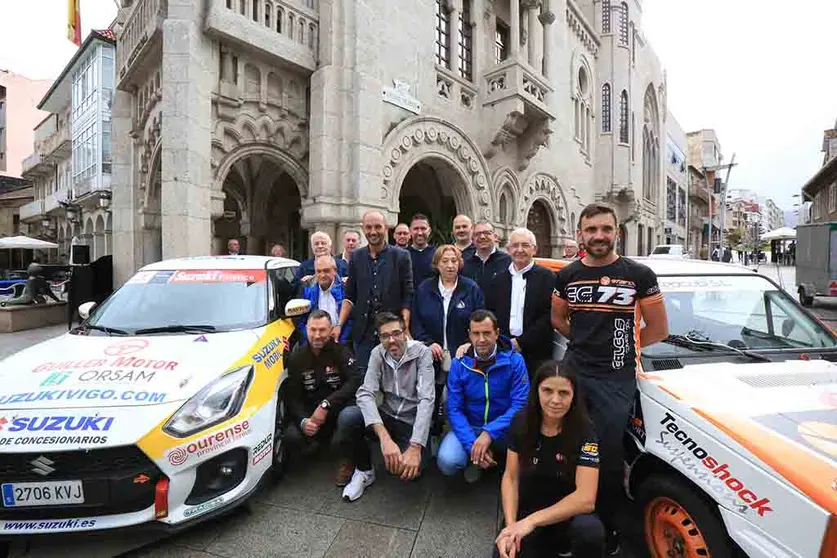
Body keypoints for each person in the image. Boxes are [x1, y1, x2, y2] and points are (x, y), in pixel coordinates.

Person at [551, 202, 669, 554]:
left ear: (617, 232)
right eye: (591, 230)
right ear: (580, 234)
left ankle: (606, 527)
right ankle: (565, 519)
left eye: (605, 229)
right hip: (573, 371)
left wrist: (624, 350)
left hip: (616, 379)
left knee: (606, 455)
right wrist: (585, 342)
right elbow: (559, 320)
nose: (599, 236)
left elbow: (660, 329)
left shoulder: (639, 274)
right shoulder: (568, 275)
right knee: (564, 445)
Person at [496, 362, 604, 558]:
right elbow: (511, 478)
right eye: (547, 390)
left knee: (590, 532)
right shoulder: (521, 423)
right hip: (528, 511)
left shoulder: (585, 430)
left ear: (574, 397)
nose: (555, 400)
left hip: (568, 514)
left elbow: (586, 499)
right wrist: (512, 527)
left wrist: (532, 521)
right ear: (536, 391)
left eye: (564, 393)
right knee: (505, 552)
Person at [345, 312, 435, 501]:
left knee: (411, 472)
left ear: (405, 332)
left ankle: (412, 449)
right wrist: (384, 438)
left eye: (396, 333)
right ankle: (364, 471)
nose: (391, 340)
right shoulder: (377, 353)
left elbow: (427, 400)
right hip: (386, 414)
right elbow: (365, 393)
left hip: (410, 420)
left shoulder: (422, 353)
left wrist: (415, 446)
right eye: (385, 336)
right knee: (348, 418)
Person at [439, 310, 528, 481]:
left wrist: (488, 433)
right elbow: (454, 409)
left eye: (487, 333)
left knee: (528, 459)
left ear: (497, 333)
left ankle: (494, 459)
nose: (481, 339)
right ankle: (480, 456)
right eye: (476, 333)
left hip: (505, 428)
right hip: (471, 426)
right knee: (447, 461)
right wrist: (473, 444)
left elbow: (520, 404)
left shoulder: (515, 361)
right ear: (469, 335)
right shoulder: (459, 364)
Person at [284, 310, 364, 486]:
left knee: (349, 418)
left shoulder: (341, 351)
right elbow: (293, 396)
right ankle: (317, 445)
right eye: (313, 330)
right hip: (313, 414)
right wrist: (303, 421)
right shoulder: (297, 357)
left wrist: (327, 404)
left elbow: (355, 381)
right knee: (291, 436)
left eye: (322, 330)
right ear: (306, 329)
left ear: (330, 330)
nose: (317, 335)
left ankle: (348, 461)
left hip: (338, 410)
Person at [411, 245, 485, 435]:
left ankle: (460, 436)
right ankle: (431, 436)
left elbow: (480, 319)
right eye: (445, 261)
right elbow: (416, 321)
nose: (450, 265)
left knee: (458, 400)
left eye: (454, 261)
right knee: (430, 400)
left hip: (461, 354)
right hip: (431, 353)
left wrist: (470, 342)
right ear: (437, 264)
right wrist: (428, 343)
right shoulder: (425, 288)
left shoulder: (470, 288)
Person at [336, 210, 414, 373]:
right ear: (363, 229)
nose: (373, 232)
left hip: (392, 333)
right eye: (369, 227)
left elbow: (407, 294)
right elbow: (350, 296)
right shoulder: (356, 257)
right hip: (363, 334)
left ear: (386, 228)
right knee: (366, 381)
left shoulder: (401, 256)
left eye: (378, 227)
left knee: (394, 381)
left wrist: (404, 326)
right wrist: (338, 325)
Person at [483, 228, 556, 376]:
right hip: (503, 351)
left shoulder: (548, 277)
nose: (520, 250)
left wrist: (522, 342)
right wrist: (502, 343)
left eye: (525, 245)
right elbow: (490, 313)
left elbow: (549, 316)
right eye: (515, 246)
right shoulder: (497, 280)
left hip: (537, 354)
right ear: (508, 250)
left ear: (534, 249)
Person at [299, 255, 351, 344]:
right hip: (314, 342)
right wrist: (312, 336)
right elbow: (301, 321)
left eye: (326, 271)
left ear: (335, 271)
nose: (322, 275)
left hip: (340, 341)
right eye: (318, 271)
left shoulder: (345, 289)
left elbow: (351, 319)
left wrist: (340, 337)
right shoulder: (307, 291)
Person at [462, 221, 512, 295]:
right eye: (477, 234)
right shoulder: (465, 263)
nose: (482, 237)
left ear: (495, 237)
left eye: (487, 233)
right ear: (472, 239)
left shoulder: (508, 261)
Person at [407, 214, 437, 285]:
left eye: (423, 228)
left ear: (429, 231)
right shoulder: (402, 255)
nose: (420, 233)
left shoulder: (437, 254)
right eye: (416, 229)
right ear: (410, 231)